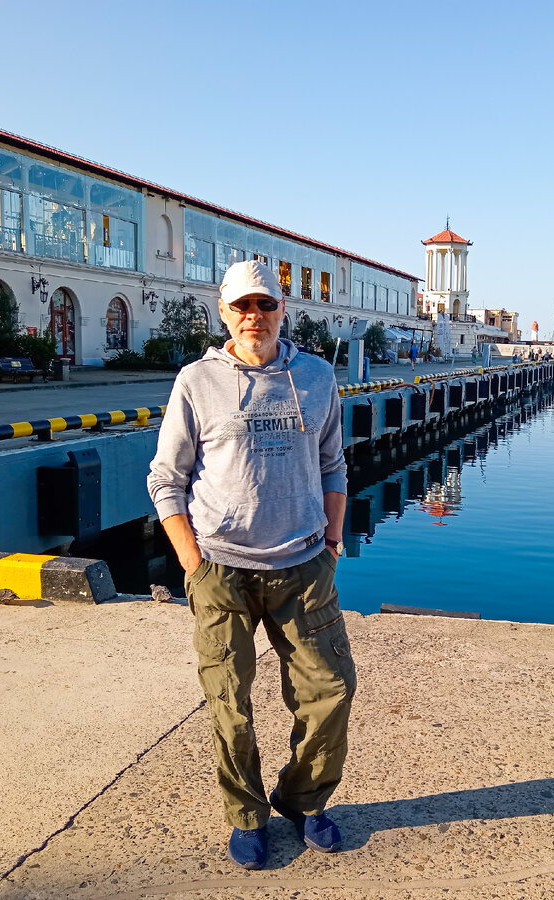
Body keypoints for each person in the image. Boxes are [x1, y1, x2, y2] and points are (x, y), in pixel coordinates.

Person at [147, 260, 355, 871]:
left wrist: (334, 542)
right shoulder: (196, 380)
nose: (253, 317)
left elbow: (333, 464)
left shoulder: (316, 377)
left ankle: (302, 800)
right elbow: (167, 477)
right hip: (221, 569)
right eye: (241, 306)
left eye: (264, 305)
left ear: (282, 309)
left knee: (330, 691)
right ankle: (245, 815)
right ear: (223, 312)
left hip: (303, 564)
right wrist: (191, 560)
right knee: (229, 701)